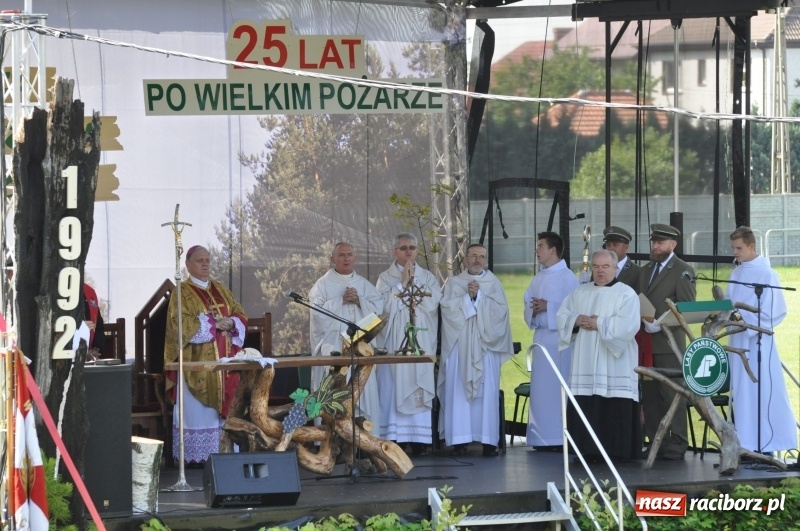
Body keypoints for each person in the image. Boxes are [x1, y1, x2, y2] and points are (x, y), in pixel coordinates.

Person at [164, 245, 248, 465]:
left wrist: (232, 321)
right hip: (197, 365)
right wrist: (213, 324)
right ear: (188, 265)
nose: (205, 264)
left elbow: (239, 311)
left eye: (208, 260)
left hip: (225, 364)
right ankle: (197, 460)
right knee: (199, 412)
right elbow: (179, 325)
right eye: (200, 260)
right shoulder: (181, 292)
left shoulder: (221, 288)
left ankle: (225, 452)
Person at [557, 250, 642, 462]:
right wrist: (577, 320)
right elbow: (562, 316)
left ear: (615, 268)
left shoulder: (626, 293)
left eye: (605, 267)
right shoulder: (580, 293)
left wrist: (599, 323)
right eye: (596, 267)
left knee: (613, 402)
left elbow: (629, 325)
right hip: (585, 360)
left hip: (615, 361)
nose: (600, 271)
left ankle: (617, 451)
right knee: (586, 402)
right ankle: (585, 450)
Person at [726, 226, 797, 454]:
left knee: (761, 391)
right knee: (741, 394)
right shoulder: (736, 273)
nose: (735, 252)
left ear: (751, 246)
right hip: (737, 342)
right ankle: (744, 444)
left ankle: (764, 444)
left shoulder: (767, 274)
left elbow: (775, 311)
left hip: (758, 342)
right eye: (733, 248)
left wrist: (743, 319)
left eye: (739, 248)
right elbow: (729, 303)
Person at [438, 243, 513, 457]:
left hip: (485, 347)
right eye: (473, 256)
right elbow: (447, 310)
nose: (477, 260)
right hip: (459, 347)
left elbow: (501, 314)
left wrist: (478, 298)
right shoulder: (454, 283)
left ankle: (488, 441)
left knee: (486, 392)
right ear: (466, 259)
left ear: (486, 260)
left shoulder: (493, 283)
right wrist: (466, 298)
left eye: (481, 256)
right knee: (458, 390)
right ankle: (459, 440)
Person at [309, 242, 385, 436]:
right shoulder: (322, 285)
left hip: (359, 349)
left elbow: (379, 309)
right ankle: (330, 437)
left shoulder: (363, 284)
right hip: (333, 348)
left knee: (361, 392)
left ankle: (363, 438)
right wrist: (340, 301)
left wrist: (360, 301)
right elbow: (316, 315)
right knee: (333, 396)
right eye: (341, 255)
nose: (346, 258)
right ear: (332, 259)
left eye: (349, 254)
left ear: (355, 258)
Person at [376, 233, 442, 455]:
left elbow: (433, 306)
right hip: (395, 342)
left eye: (412, 247)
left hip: (419, 340)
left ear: (417, 251)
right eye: (403, 247)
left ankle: (419, 438)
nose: (408, 251)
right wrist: (401, 284)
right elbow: (381, 310)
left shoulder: (428, 278)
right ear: (395, 251)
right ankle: (395, 437)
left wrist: (413, 292)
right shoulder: (385, 279)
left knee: (417, 381)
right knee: (392, 386)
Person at [638, 224, 696, 460]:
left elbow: (687, 308)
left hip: (669, 344)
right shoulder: (646, 270)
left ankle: (678, 443)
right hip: (646, 342)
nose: (655, 246)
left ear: (673, 245)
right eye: (654, 242)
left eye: (660, 242)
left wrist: (662, 324)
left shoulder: (682, 270)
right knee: (650, 396)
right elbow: (641, 298)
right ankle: (656, 441)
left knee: (673, 396)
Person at [524, 231, 579, 448]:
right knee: (541, 391)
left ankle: (560, 437)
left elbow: (574, 310)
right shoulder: (538, 277)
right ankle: (541, 437)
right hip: (542, 339)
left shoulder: (568, 278)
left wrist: (549, 307)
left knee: (558, 389)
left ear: (552, 250)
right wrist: (535, 309)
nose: (537, 251)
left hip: (561, 341)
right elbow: (528, 302)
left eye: (540, 246)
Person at [602, 226, 641, 290]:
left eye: (615, 245)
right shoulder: (599, 269)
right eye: (608, 245)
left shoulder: (638, 272)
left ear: (626, 247)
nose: (611, 248)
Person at [83, 283, 105, 360]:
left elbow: (99, 325)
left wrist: (96, 348)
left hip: (90, 354)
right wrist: (79, 327)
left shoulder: (89, 291)